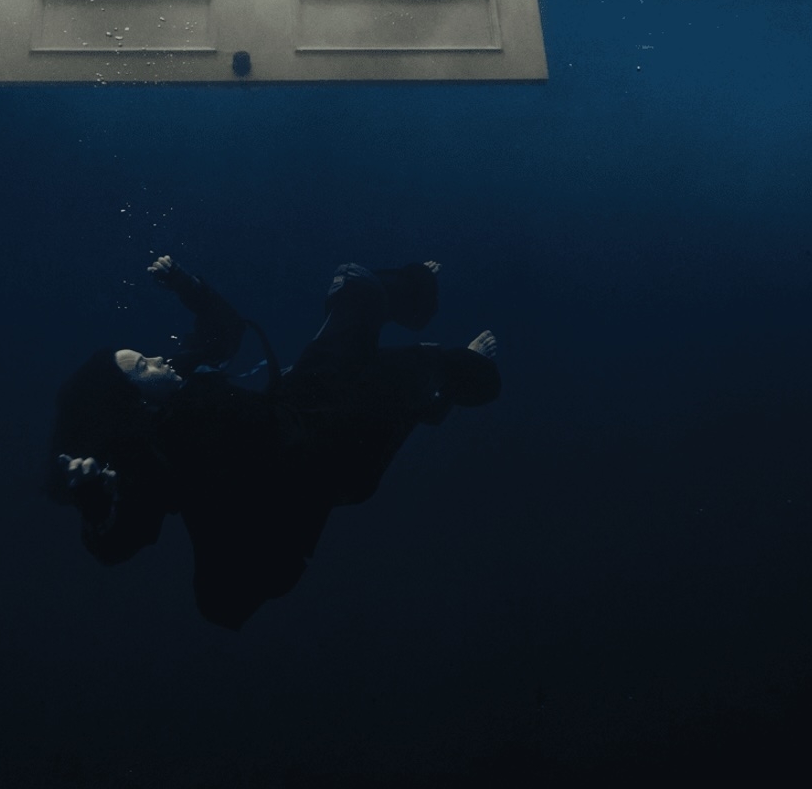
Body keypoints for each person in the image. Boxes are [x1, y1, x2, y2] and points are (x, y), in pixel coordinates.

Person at [49, 255, 499, 629]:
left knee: (357, 285)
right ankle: (451, 379)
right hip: (319, 457)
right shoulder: (153, 452)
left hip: (301, 402)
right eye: (143, 365)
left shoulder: (176, 378)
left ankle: (422, 325)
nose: (158, 358)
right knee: (415, 369)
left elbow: (223, 332)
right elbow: (119, 541)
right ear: (137, 403)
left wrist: (186, 284)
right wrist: (95, 507)